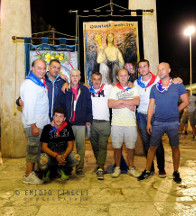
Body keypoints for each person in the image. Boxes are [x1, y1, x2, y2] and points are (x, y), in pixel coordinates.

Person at [138, 62, 189, 183]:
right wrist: (149, 122)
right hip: (158, 122)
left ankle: (176, 172)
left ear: (169, 70)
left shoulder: (178, 85)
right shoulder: (155, 87)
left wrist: (175, 111)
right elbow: (151, 106)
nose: (160, 71)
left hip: (173, 122)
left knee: (175, 147)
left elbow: (185, 102)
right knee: (152, 147)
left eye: (163, 69)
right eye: (158, 69)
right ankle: (147, 171)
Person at [54, 69, 93, 176]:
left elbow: (89, 105)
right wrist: (59, 120)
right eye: (72, 76)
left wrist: (89, 119)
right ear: (70, 77)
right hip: (67, 124)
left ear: (80, 77)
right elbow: (59, 105)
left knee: (81, 147)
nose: (75, 78)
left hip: (81, 124)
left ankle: (79, 168)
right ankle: (67, 168)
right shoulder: (65, 89)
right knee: (66, 147)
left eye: (77, 76)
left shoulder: (85, 90)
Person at [134, 59, 166, 177]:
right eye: (140, 67)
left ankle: (161, 168)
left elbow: (170, 84)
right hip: (141, 115)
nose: (142, 69)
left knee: (157, 142)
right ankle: (150, 168)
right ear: (138, 70)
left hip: (156, 115)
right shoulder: (136, 83)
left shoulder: (158, 80)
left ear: (149, 67)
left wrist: (178, 80)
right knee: (146, 143)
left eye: (144, 66)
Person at [20, 59, 50, 184]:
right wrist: (33, 125)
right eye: (39, 68)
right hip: (34, 124)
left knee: (37, 149)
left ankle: (33, 172)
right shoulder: (29, 84)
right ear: (32, 69)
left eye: (43, 68)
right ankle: (28, 175)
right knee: (32, 149)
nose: (42, 71)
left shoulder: (39, 82)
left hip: (41, 123)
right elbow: (29, 106)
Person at [108, 68, 140, 178]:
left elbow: (136, 101)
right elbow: (110, 104)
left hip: (130, 123)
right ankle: (117, 168)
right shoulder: (114, 89)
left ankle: (131, 168)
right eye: (120, 75)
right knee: (117, 147)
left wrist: (120, 102)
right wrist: (126, 103)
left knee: (130, 147)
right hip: (116, 123)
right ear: (117, 77)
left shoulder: (134, 89)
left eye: (125, 75)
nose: (122, 77)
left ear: (128, 77)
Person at [39, 107, 80, 182]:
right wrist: (56, 156)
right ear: (53, 117)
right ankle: (46, 172)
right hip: (50, 155)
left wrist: (63, 156)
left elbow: (71, 145)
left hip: (63, 155)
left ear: (64, 118)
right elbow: (44, 147)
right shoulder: (47, 128)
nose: (58, 118)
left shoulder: (68, 128)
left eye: (61, 116)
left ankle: (65, 170)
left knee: (76, 158)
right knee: (42, 160)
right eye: (56, 116)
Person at [89, 72, 112, 180]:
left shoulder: (108, 88)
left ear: (101, 80)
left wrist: (130, 83)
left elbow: (121, 86)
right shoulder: (88, 90)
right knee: (94, 146)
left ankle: (100, 168)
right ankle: (100, 163)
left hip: (105, 123)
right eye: (94, 79)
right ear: (91, 80)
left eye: (98, 79)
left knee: (102, 145)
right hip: (92, 123)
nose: (96, 81)